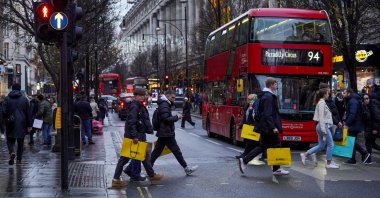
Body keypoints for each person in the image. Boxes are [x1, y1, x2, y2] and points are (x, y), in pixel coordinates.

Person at [112, 88, 163, 188]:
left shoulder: (138, 105)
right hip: (134, 137)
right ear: (136, 96)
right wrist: (135, 136)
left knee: (143, 156)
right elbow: (131, 122)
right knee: (124, 159)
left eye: (144, 95)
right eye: (142, 95)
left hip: (137, 135)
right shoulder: (135, 106)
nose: (144, 97)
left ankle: (152, 176)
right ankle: (115, 180)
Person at [237, 77, 289, 175]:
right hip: (268, 127)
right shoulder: (269, 97)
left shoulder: (263, 95)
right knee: (277, 144)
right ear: (271, 85)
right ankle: (276, 169)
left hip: (264, 126)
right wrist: (273, 127)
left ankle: (245, 160)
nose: (276, 86)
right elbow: (268, 113)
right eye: (275, 84)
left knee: (263, 146)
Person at [151, 90, 198, 175]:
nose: (174, 99)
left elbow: (165, 117)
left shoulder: (164, 104)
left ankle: (148, 169)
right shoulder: (165, 105)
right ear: (167, 96)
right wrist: (177, 117)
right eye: (172, 97)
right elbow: (166, 119)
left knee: (156, 152)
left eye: (174, 97)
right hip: (166, 133)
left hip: (164, 132)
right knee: (176, 151)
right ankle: (187, 168)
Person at [300, 89, 339, 168]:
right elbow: (321, 117)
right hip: (323, 126)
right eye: (328, 94)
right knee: (331, 144)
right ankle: (329, 163)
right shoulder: (321, 103)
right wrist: (323, 129)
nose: (329, 95)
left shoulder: (322, 102)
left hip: (321, 126)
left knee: (321, 145)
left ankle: (305, 154)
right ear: (324, 94)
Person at [1, 83, 32, 165]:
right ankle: (19, 160)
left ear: (12, 88)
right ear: (19, 89)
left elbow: (3, 111)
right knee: (21, 142)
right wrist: (29, 125)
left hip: (10, 122)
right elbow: (28, 113)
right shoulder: (24, 99)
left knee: (10, 140)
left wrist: (5, 119)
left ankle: (11, 152)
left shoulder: (7, 99)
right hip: (22, 123)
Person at [342, 88, 370, 164]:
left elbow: (352, 114)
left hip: (354, 124)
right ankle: (352, 159)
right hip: (356, 124)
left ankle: (364, 153)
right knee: (351, 141)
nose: (343, 94)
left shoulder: (353, 101)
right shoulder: (353, 99)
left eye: (344, 93)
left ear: (348, 93)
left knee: (350, 141)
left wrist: (347, 124)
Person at [236, 94, 265, 162]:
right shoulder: (247, 107)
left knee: (252, 142)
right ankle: (246, 155)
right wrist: (241, 125)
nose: (247, 101)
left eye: (249, 99)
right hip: (248, 126)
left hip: (254, 126)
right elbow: (245, 117)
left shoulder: (255, 107)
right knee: (251, 142)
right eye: (248, 99)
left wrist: (252, 109)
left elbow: (255, 117)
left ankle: (245, 155)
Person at [363, 89, 380, 164]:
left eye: (367, 98)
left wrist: (375, 128)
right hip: (369, 128)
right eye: (364, 99)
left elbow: (377, 118)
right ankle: (368, 159)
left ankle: (368, 159)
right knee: (372, 144)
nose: (366, 100)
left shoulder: (373, 106)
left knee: (368, 143)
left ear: (369, 99)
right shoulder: (367, 106)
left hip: (372, 128)